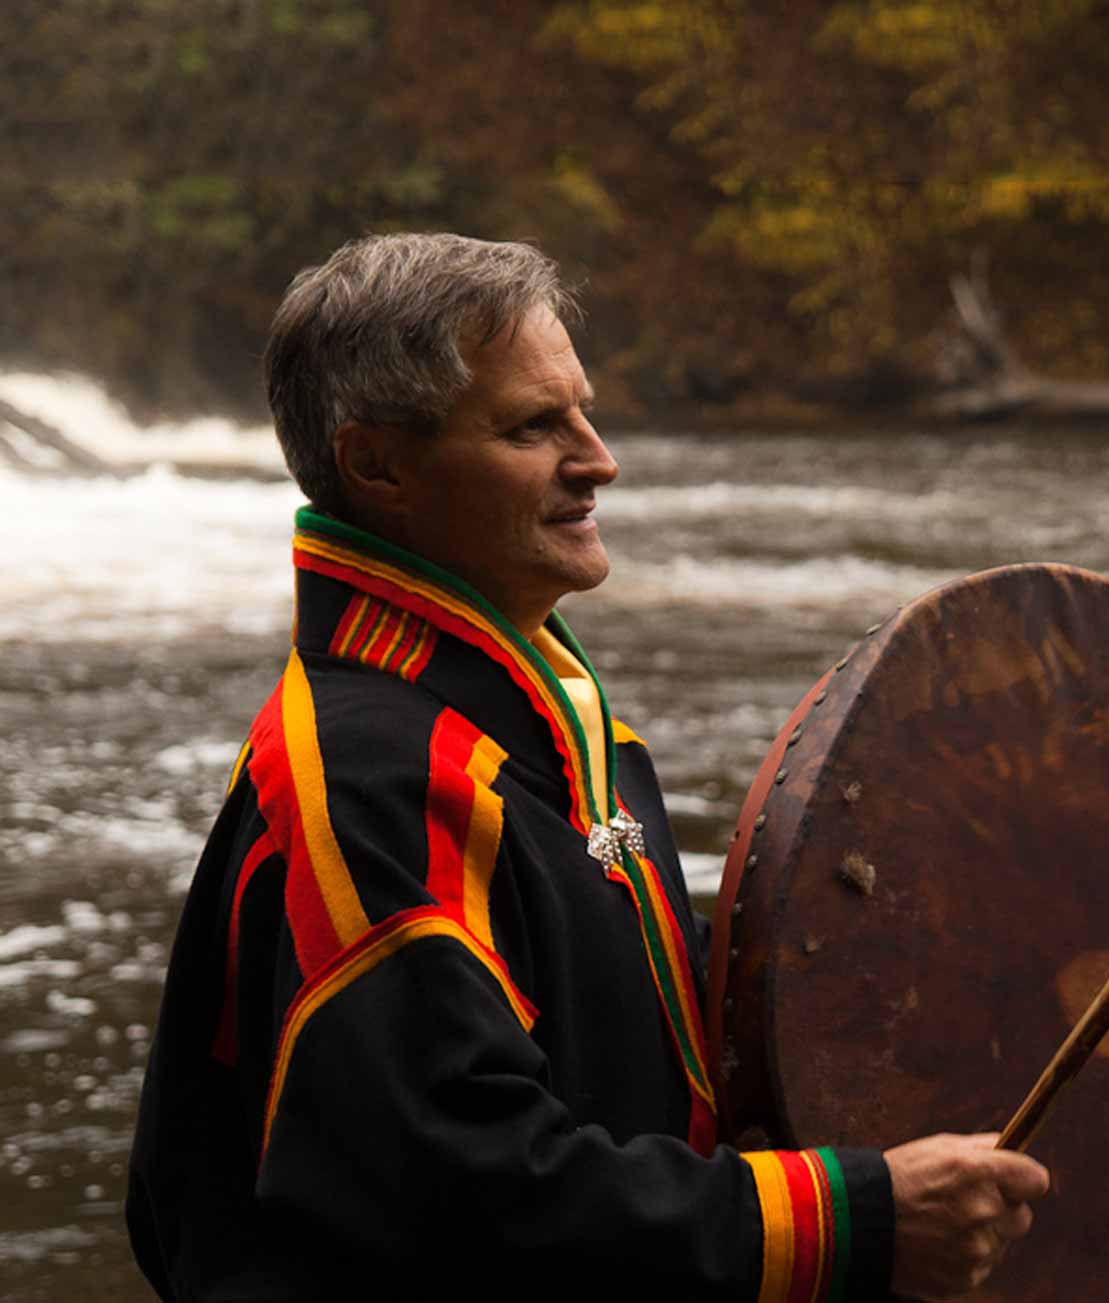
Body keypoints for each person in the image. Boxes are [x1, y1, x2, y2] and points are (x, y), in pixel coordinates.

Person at [126, 233, 1049, 1301]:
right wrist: (853, 1218)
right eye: (533, 426)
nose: (598, 458)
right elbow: (471, 1192)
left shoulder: (540, 712)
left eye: (584, 411)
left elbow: (622, 1035)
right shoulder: (373, 775)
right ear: (378, 464)